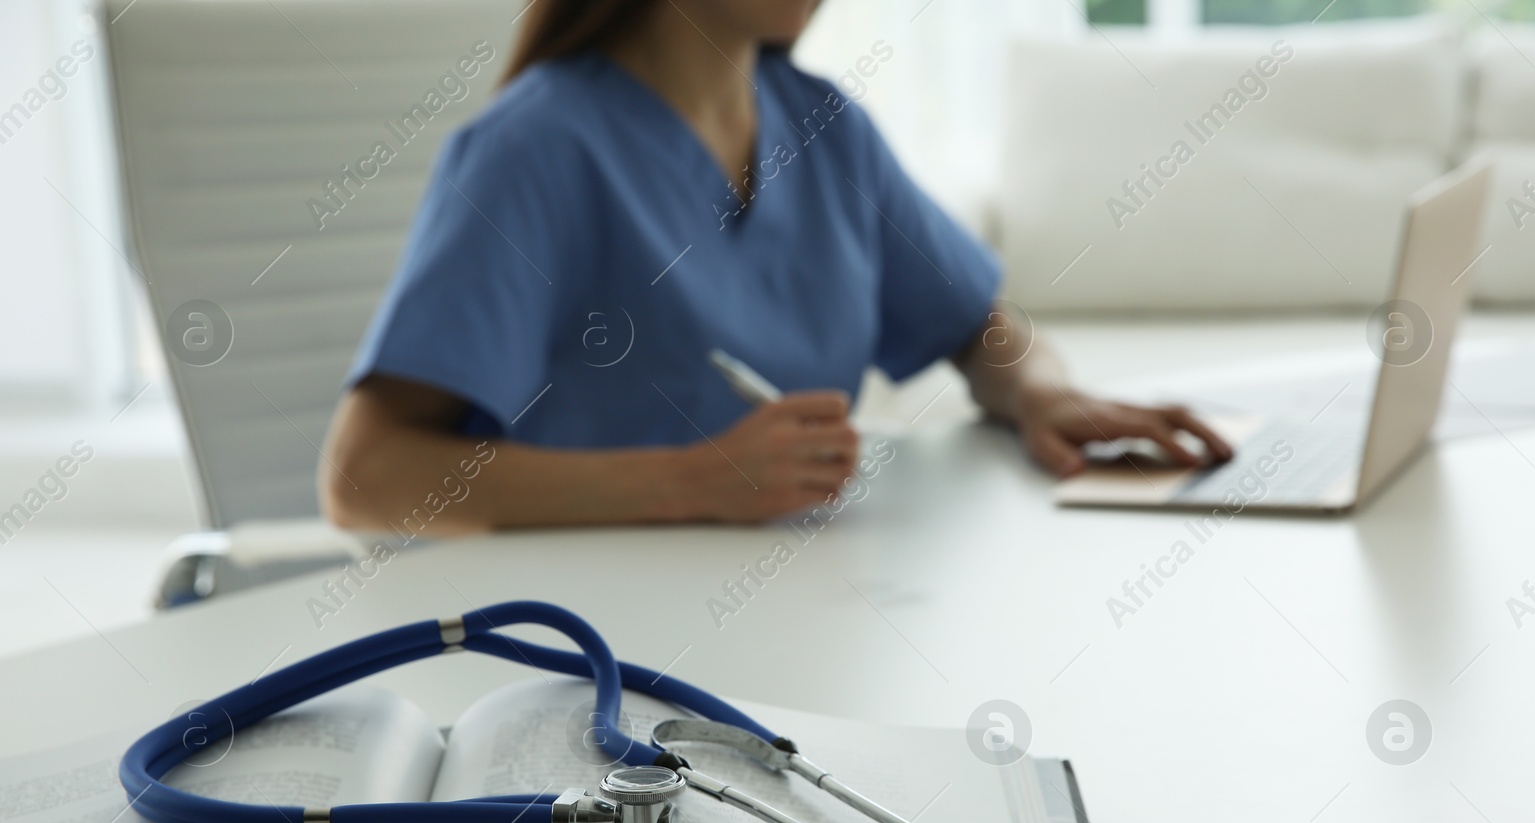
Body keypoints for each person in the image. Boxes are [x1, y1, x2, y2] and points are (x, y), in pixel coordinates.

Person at [321, 0, 1231, 534]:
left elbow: (975, 323)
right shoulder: (535, 149)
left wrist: (1040, 390)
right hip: (594, 641)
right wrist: (688, 480)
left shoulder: (822, 124)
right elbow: (366, 472)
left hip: (807, 604)